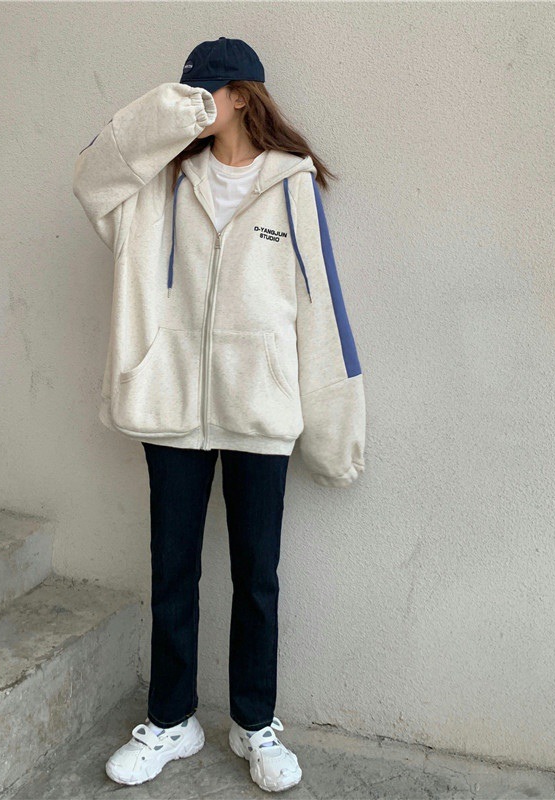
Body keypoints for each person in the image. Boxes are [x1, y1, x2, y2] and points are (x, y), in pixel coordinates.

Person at [72, 36, 366, 793]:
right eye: (188, 93)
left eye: (209, 92)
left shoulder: (291, 183)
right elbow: (92, 175)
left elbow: (321, 309)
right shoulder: (158, 184)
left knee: (256, 577)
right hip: (170, 405)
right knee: (172, 570)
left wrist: (334, 429)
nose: (199, 104)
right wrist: (171, 114)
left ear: (243, 95)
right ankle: (172, 720)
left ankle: (254, 722)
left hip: (258, 412)